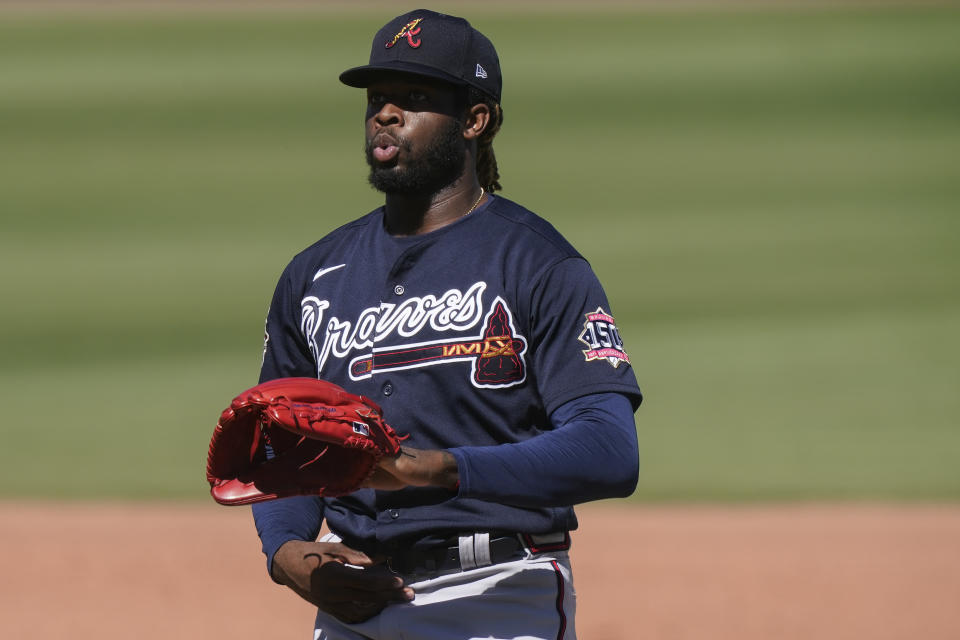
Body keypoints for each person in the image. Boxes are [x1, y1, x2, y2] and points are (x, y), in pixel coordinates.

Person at [252, 9, 642, 640]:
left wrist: (438, 469)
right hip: (352, 604)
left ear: (474, 120)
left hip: (495, 598)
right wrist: (286, 550)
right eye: (378, 98)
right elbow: (284, 446)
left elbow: (609, 450)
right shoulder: (314, 275)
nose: (385, 113)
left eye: (414, 97)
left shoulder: (538, 263)